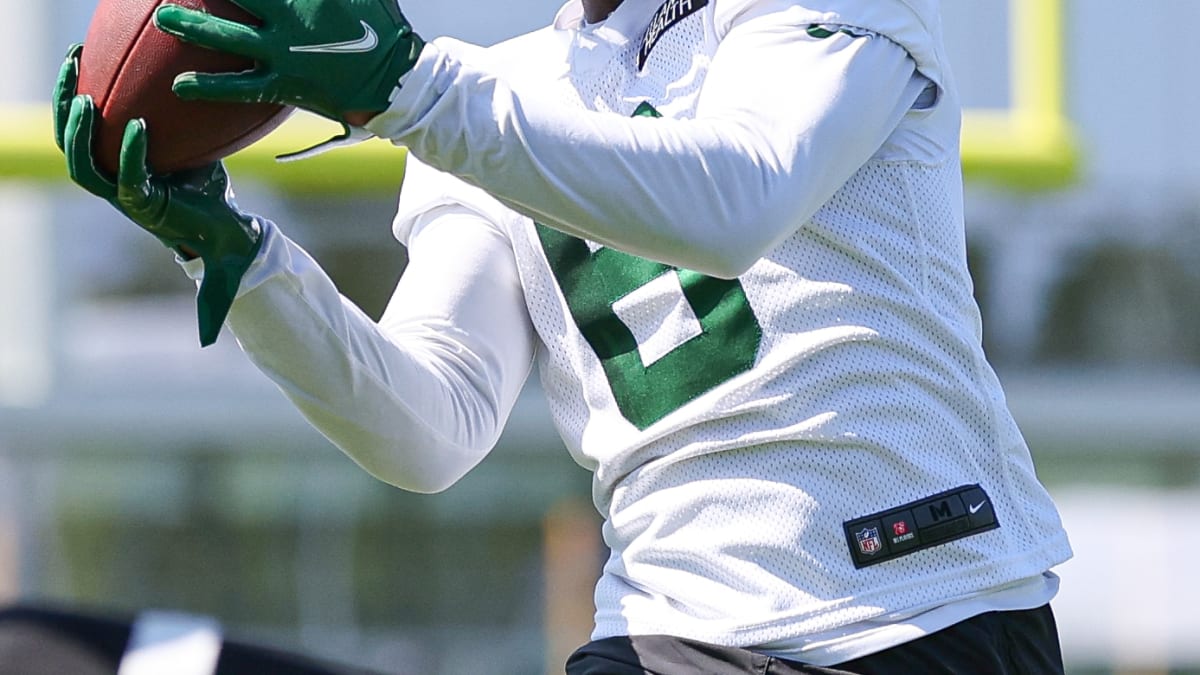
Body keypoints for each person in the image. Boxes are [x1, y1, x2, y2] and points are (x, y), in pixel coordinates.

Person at [55, 0, 1074, 672]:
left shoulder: (809, 7)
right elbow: (432, 426)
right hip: (671, 634)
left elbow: (734, 199)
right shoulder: (495, 87)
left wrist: (414, 92)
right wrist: (240, 264)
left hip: (928, 607)